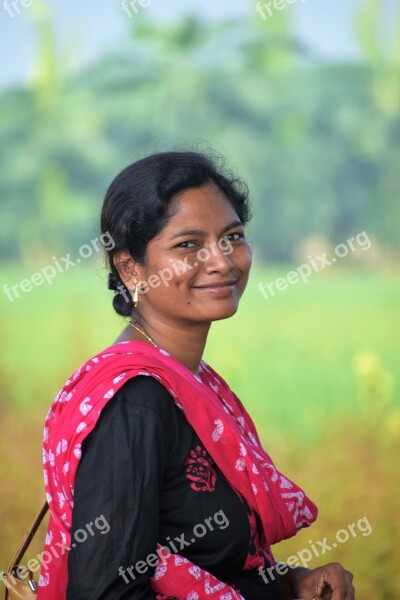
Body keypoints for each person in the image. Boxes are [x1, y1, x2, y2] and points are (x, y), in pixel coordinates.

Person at [37, 151, 354, 600]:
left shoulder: (194, 384)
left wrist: (288, 584)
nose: (223, 261)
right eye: (188, 245)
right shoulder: (136, 401)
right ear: (130, 267)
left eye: (232, 237)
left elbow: (204, 564)